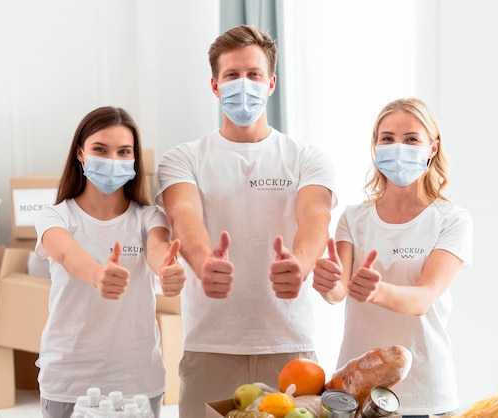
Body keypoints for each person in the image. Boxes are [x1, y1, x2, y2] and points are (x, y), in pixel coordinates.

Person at [156, 25, 336, 417]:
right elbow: (183, 214)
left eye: (253, 74)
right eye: (232, 75)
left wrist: (301, 265)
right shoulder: (183, 157)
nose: (243, 84)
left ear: (271, 83)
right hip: (211, 346)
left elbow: (316, 213)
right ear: (215, 85)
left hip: (289, 347)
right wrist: (204, 262)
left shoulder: (307, 157)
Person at [313, 97, 473, 417]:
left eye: (411, 139)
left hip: (426, 394)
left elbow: (423, 298)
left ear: (433, 148)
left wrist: (378, 290)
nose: (398, 147)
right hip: (357, 391)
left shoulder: (451, 219)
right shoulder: (353, 218)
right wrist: (326, 282)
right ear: (375, 146)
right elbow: (338, 291)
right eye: (387, 139)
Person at [34, 106, 186, 418]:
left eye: (123, 152)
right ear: (80, 153)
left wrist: (167, 270)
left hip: (138, 381)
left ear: (134, 159)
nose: (112, 160)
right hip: (68, 380)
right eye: (100, 150)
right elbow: (65, 253)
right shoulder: (56, 215)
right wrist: (97, 274)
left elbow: (158, 249)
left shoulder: (148, 217)